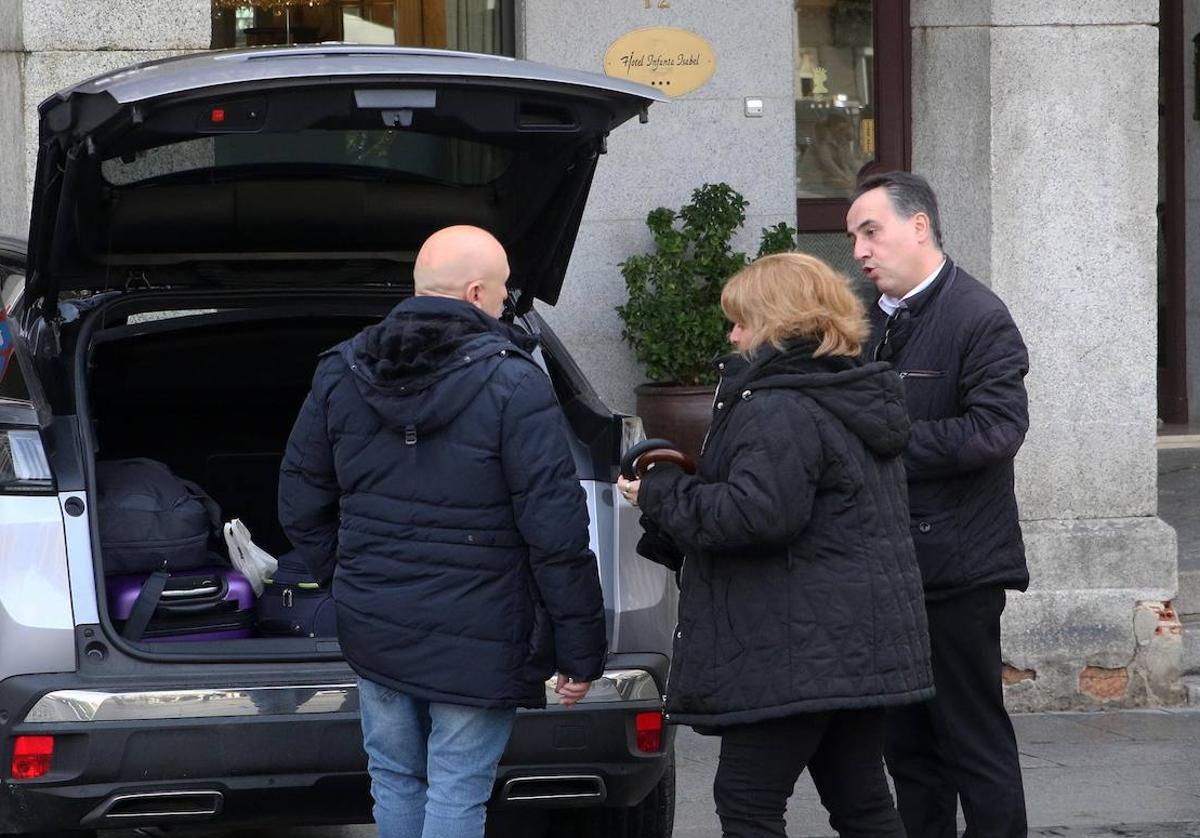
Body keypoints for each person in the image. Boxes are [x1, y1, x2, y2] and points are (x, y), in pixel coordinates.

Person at [278, 225, 606, 838]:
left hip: (375, 619)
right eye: (505, 292)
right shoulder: (516, 383)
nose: (506, 304)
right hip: (484, 629)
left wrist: (348, 574)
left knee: (394, 774)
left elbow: (299, 501)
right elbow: (556, 531)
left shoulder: (341, 371)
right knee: (458, 786)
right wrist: (579, 648)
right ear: (478, 292)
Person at [617, 252, 933, 838]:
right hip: (854, 638)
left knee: (747, 801)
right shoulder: (850, 391)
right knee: (861, 801)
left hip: (795, 645)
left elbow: (754, 515)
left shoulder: (779, 406)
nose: (732, 336)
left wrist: (660, 492)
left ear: (776, 324)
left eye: (740, 322)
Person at [846, 171, 1031, 837]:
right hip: (890, 569)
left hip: (959, 568)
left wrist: (890, 442)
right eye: (853, 237)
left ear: (919, 226)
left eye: (872, 231)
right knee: (909, 752)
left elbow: (997, 431)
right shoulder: (867, 320)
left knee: (972, 744)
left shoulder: (978, 316)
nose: (860, 250)